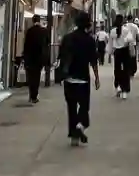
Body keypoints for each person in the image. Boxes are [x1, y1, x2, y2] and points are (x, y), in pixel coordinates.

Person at [56, 10, 101, 145]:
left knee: (71, 108)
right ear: (88, 24)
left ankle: (74, 137)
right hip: (83, 79)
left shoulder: (67, 38)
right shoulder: (89, 40)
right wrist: (97, 78)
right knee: (84, 107)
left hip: (69, 79)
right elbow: (93, 61)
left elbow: (61, 57)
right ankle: (80, 126)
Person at [113, 14, 139, 98]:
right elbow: (130, 41)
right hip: (125, 50)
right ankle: (125, 90)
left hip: (117, 52)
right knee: (126, 70)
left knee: (117, 69)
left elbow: (111, 44)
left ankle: (118, 86)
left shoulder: (113, 31)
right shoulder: (127, 30)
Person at [21, 16, 48, 103]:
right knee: (37, 76)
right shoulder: (44, 31)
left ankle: (31, 94)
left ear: (33, 21)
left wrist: (24, 57)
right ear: (39, 21)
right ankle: (34, 96)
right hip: (39, 58)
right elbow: (47, 44)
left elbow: (26, 45)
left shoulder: (29, 31)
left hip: (30, 58)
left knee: (30, 77)